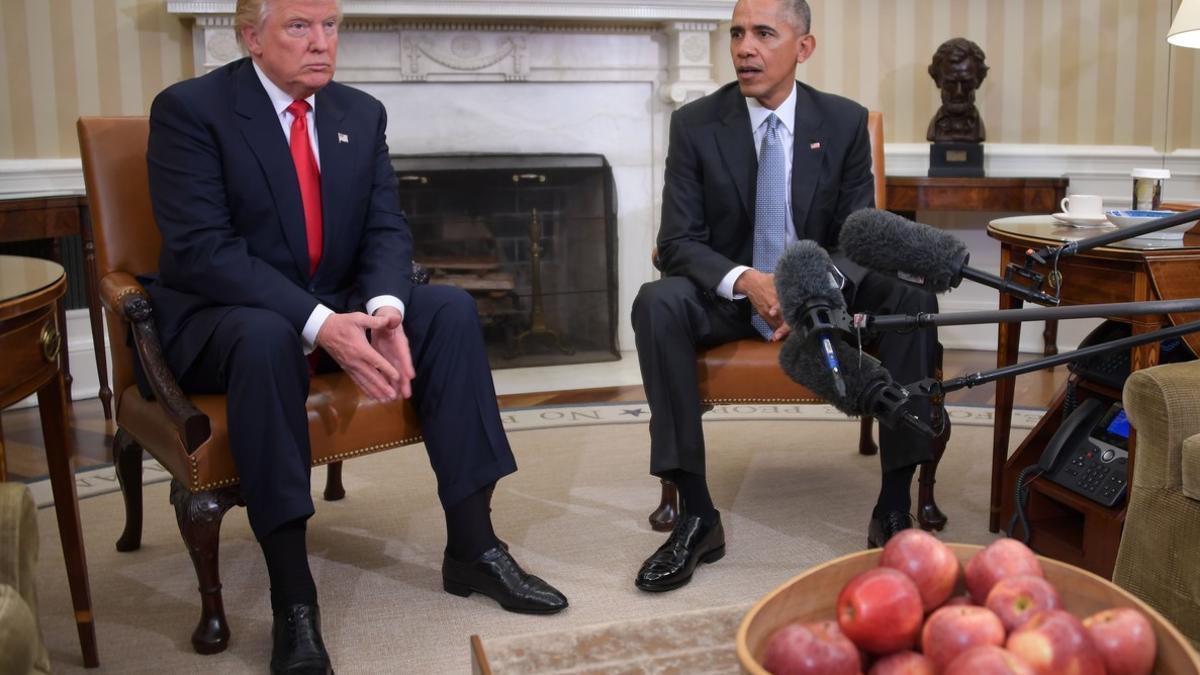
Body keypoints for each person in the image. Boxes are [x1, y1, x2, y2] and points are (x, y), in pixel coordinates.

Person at [144, 0, 567, 672]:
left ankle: (475, 547)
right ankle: (294, 600)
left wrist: (387, 308)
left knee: (451, 312)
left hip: (337, 300)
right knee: (266, 336)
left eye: (331, 25)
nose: (322, 44)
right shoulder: (191, 110)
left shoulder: (358, 114)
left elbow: (384, 229)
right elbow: (202, 251)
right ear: (251, 37)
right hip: (222, 317)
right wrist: (319, 325)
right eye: (299, 27)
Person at [631, 0, 941, 593]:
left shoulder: (843, 121)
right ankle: (697, 515)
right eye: (737, 33)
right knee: (657, 301)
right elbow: (677, 242)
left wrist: (806, 297)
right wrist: (748, 281)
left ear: (803, 47)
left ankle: (895, 506)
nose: (744, 47)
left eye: (763, 34)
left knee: (907, 295)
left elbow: (858, 237)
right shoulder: (696, 123)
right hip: (731, 295)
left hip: (821, 292)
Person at [926, 37, 989, 143]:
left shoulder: (978, 129)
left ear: (979, 81)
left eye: (966, 83)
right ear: (937, 80)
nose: (958, 92)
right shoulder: (935, 129)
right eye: (950, 83)